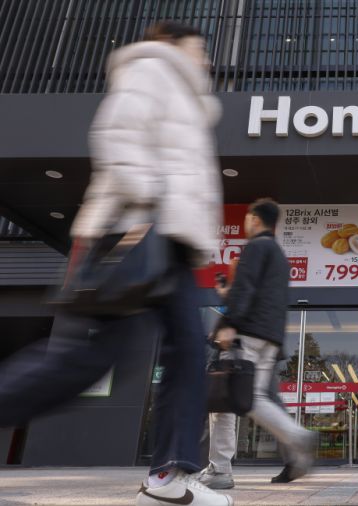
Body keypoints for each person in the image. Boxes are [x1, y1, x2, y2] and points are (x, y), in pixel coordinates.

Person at [0, 21, 231, 506]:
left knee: (186, 354)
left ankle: (168, 477)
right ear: (172, 44)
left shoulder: (188, 100)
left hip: (168, 243)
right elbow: (117, 137)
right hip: (138, 234)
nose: (206, 59)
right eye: (199, 49)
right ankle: (168, 476)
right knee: (86, 361)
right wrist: (152, 202)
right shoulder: (152, 69)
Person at [198, 199, 316, 489]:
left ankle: (220, 470)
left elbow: (245, 288)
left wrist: (228, 324)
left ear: (254, 219)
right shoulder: (280, 257)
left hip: (245, 335)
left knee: (223, 404)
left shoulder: (254, 248)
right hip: (270, 338)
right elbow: (262, 297)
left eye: (247, 219)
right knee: (255, 398)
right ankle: (296, 436)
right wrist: (228, 295)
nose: (245, 224)